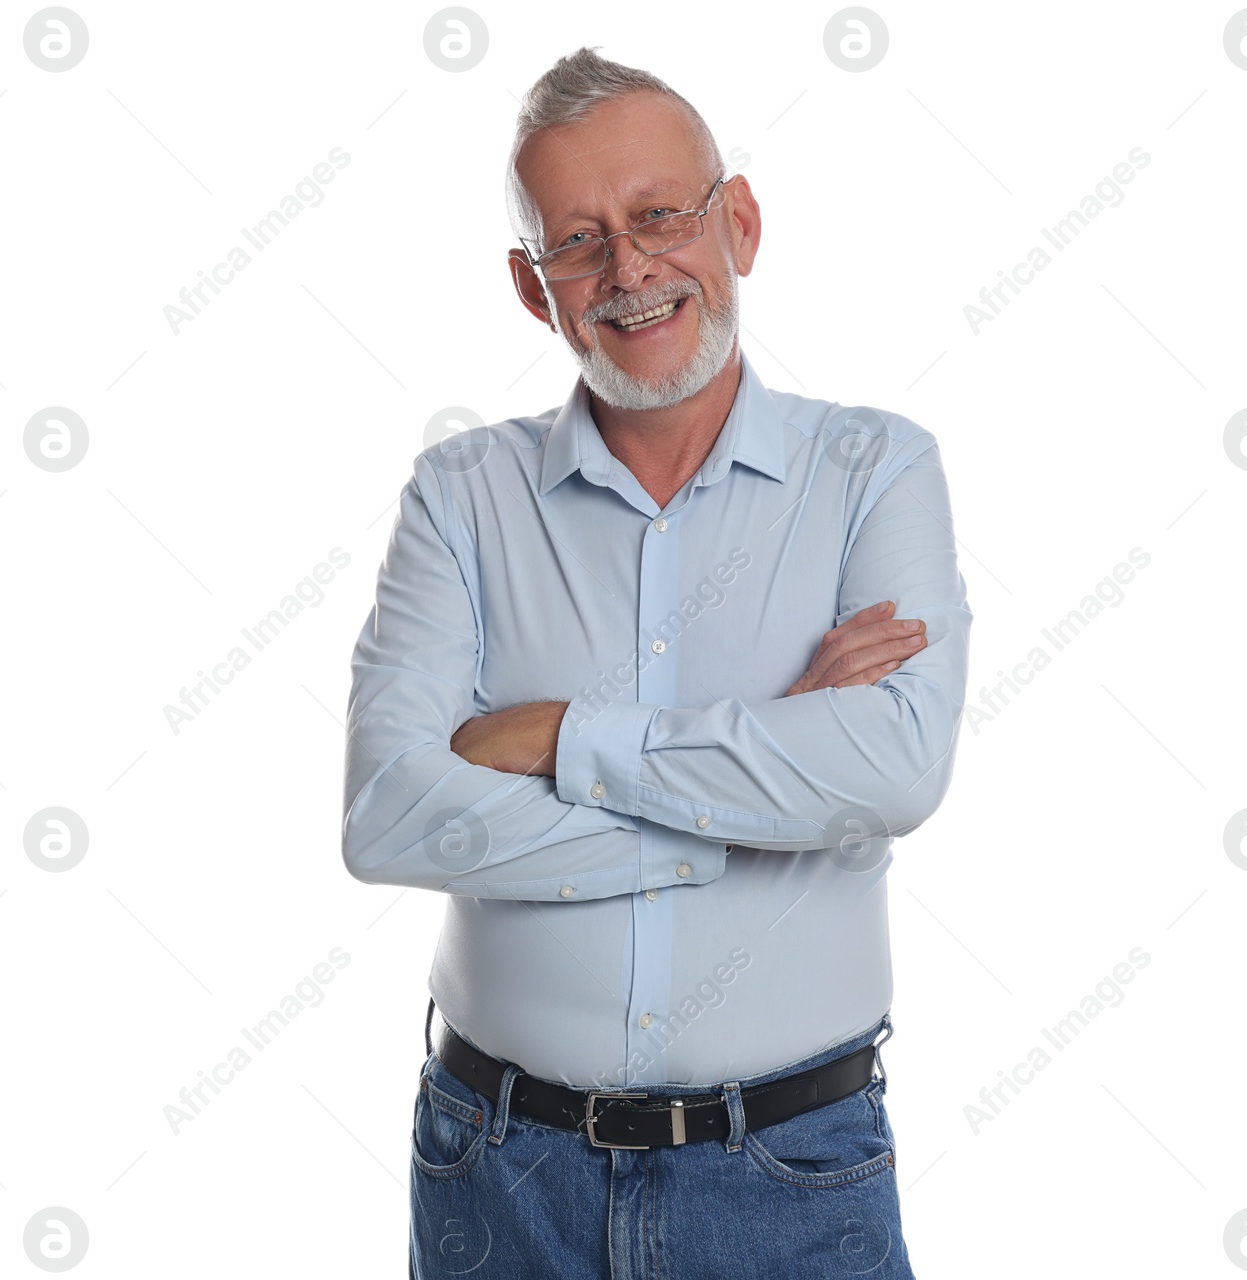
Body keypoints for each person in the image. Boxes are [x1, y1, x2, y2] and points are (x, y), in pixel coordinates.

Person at [342, 45, 972, 1280]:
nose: (628, 270)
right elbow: (390, 815)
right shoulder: (462, 497)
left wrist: (562, 738)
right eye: (578, 241)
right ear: (537, 290)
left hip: (792, 1173)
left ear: (735, 221)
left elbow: (894, 769)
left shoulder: (874, 472)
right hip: (498, 1170)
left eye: (659, 216)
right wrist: (764, 794)